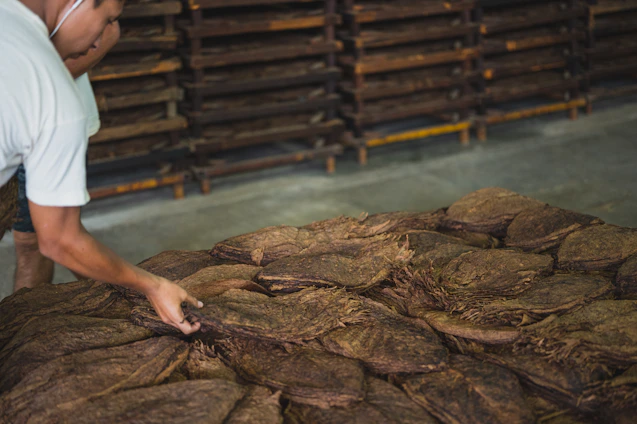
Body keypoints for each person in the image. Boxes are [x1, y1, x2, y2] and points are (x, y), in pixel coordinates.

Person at [0, 0, 202, 335]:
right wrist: (153, 286)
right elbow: (59, 240)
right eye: (108, 18)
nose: (100, 40)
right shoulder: (52, 92)